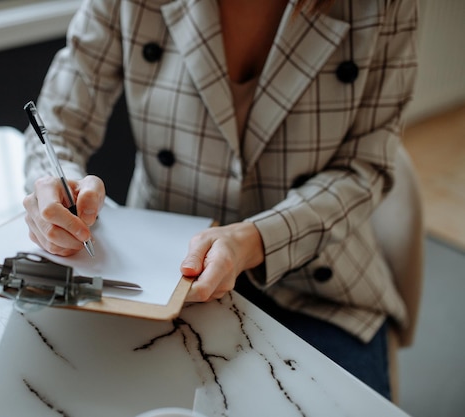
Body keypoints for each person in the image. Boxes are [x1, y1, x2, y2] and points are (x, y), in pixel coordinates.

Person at [22, 0, 418, 400]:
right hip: (161, 272)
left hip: (316, 286)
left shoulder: (383, 6)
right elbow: (57, 121)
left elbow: (363, 170)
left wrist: (253, 240)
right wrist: (54, 186)